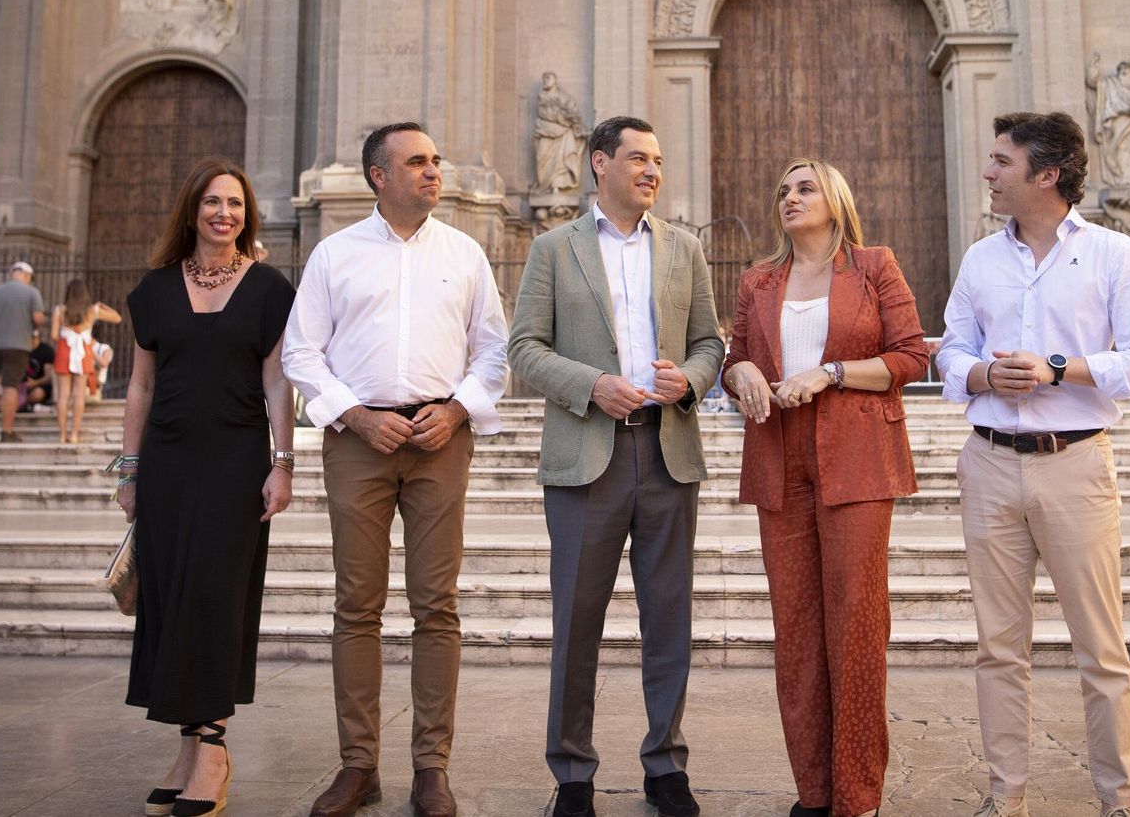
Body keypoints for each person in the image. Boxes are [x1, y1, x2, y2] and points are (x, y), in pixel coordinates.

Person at [937, 112, 1130, 817]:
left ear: (1047, 175)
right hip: (988, 463)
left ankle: (1121, 802)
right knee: (997, 649)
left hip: (1076, 465)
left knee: (1101, 648)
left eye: (1001, 162)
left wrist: (1059, 369)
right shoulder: (980, 259)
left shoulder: (1114, 254)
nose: (988, 173)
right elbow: (947, 352)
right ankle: (1005, 799)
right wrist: (981, 376)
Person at [283, 122, 509, 817]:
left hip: (441, 438)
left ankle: (431, 769)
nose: (433, 171)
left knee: (436, 607)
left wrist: (460, 410)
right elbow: (301, 352)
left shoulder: (466, 253)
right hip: (359, 443)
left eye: (436, 160)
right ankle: (358, 767)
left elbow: (493, 351)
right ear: (378, 176)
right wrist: (354, 415)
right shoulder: (334, 255)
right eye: (417, 162)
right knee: (357, 605)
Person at [509, 116, 724, 817]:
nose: (652, 170)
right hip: (587, 458)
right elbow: (526, 349)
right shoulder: (552, 249)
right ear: (598, 163)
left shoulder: (685, 248)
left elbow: (708, 342)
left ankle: (666, 764)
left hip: (666, 451)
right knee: (577, 620)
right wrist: (591, 386)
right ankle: (573, 772)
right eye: (638, 158)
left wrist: (688, 379)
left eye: (658, 159)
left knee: (669, 618)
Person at [720, 159, 930, 817]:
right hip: (781, 462)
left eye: (804, 187)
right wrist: (744, 373)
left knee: (857, 628)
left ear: (835, 199)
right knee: (797, 633)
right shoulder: (758, 280)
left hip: (859, 459)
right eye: (781, 189)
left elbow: (912, 355)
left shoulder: (874, 267)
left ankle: (857, 796)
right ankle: (813, 792)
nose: (790, 197)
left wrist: (831, 372)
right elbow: (732, 362)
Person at [118, 156, 297, 817]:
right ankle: (188, 749)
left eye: (236, 204)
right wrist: (130, 471)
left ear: (247, 215)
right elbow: (140, 385)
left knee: (215, 597)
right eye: (213, 202)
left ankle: (213, 747)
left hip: (237, 461)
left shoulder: (270, 288)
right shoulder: (156, 289)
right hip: (166, 462)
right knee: (170, 599)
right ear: (192, 209)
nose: (225, 213)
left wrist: (284, 462)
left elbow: (279, 380)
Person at [0, 261, 46, 441]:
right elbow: (38, 318)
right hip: (17, 344)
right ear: (26, 275)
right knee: (10, 385)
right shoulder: (32, 292)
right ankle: (6, 430)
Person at [51, 278, 123, 443]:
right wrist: (102, 306)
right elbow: (117, 318)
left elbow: (54, 335)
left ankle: (62, 435)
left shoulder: (60, 310)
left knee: (63, 395)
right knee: (78, 395)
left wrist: (68, 336)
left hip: (64, 349)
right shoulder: (92, 310)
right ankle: (74, 434)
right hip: (84, 351)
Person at [22, 330, 55, 413]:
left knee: (38, 393)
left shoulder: (46, 350)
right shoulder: (20, 350)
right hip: (21, 387)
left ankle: (21, 405)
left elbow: (48, 377)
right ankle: (25, 406)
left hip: (40, 386)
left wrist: (34, 383)